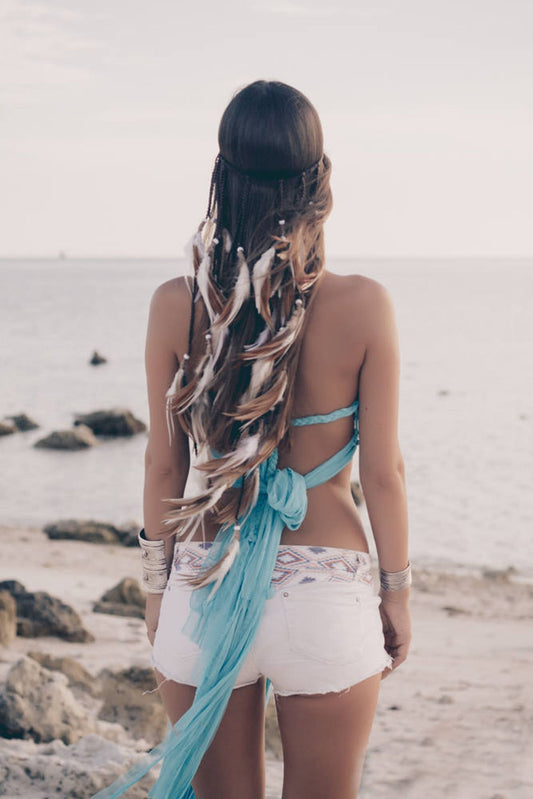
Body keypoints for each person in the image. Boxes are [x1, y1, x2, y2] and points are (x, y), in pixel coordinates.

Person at [92, 79, 412, 799]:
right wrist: (396, 593)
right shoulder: (365, 305)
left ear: (220, 180)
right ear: (319, 182)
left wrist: (154, 591)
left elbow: (163, 462)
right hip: (324, 594)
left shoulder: (175, 305)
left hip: (203, 581)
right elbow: (384, 472)